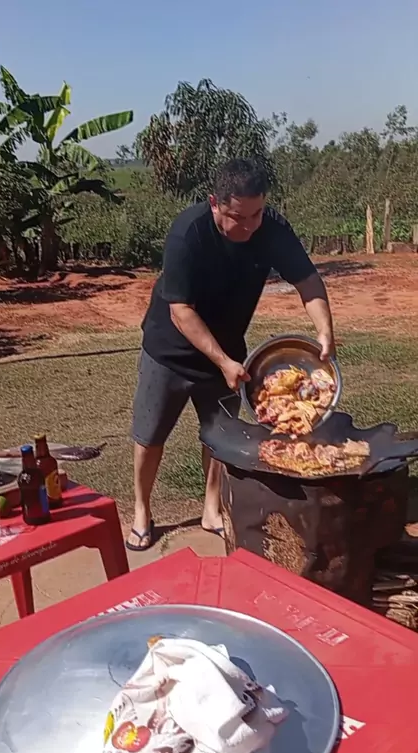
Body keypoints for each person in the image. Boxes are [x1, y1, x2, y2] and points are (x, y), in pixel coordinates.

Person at [127, 157, 335, 551]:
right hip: (169, 351)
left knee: (219, 437)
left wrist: (325, 330)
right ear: (215, 203)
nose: (251, 225)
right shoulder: (188, 233)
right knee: (150, 436)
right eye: (240, 217)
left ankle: (211, 508)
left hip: (229, 353)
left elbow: (307, 279)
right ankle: (141, 510)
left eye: (257, 213)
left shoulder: (271, 228)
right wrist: (222, 361)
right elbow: (180, 311)